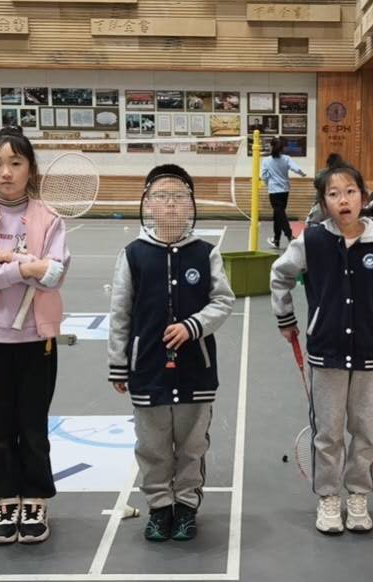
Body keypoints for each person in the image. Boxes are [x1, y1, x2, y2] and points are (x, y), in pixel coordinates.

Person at [270, 163, 373, 534]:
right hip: (325, 351)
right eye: (333, 194)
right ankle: (328, 497)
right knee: (328, 431)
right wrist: (285, 317)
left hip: (368, 353)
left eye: (350, 192)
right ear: (324, 202)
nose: (343, 200)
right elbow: (280, 274)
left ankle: (358, 494)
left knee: (365, 429)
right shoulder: (311, 241)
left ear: (363, 197)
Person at [107, 164, 235, 542]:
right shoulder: (132, 255)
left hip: (196, 370)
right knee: (153, 446)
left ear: (191, 205)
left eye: (179, 197)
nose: (171, 204)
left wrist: (194, 326)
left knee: (192, 446)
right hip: (147, 370)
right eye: (161, 197)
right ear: (147, 204)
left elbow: (223, 301)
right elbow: (120, 313)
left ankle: (186, 507)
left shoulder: (206, 253)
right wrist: (118, 364)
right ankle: (160, 507)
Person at [0, 128, 71, 544]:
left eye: (15, 163)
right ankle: (7, 499)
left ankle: (36, 498)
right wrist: (25, 266)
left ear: (30, 169)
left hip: (36, 341)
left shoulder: (51, 219)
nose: (6, 172)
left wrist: (2, 264)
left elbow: (55, 275)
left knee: (33, 425)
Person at [260, 138, 307, 249]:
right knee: (278, 215)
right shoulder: (286, 158)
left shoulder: (266, 161)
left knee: (280, 214)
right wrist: (302, 173)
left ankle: (289, 234)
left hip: (274, 191)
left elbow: (264, 176)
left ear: (271, 147)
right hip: (285, 191)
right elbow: (296, 168)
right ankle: (276, 240)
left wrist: (267, 183)